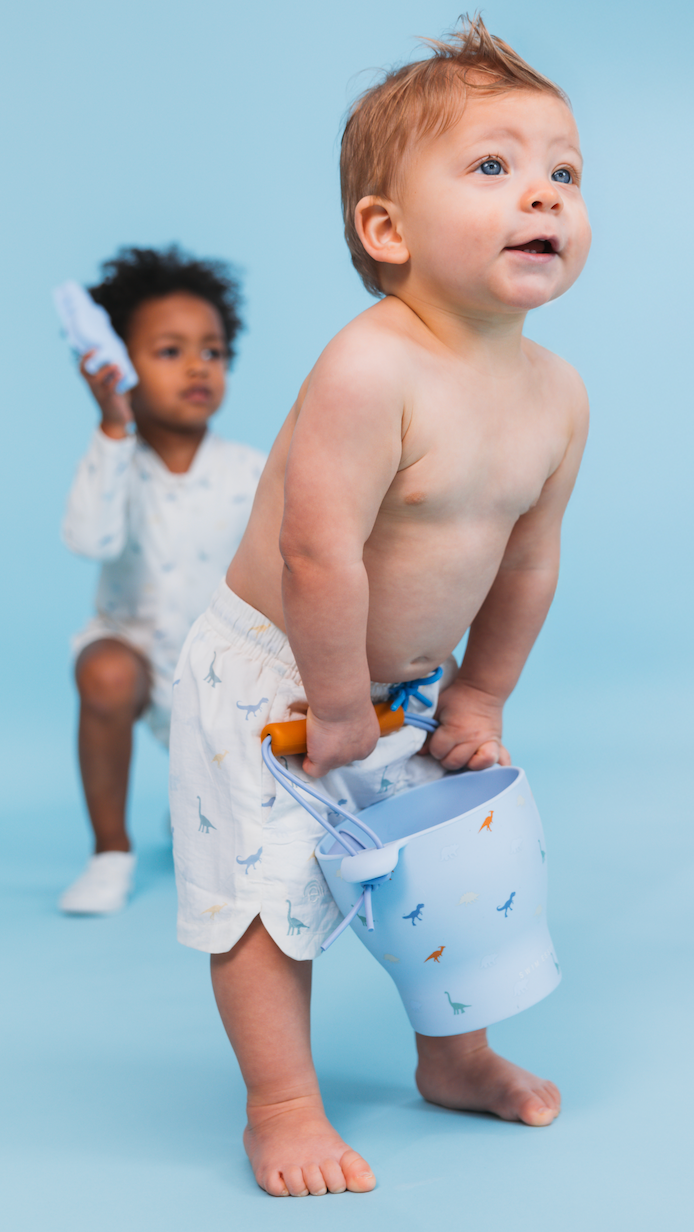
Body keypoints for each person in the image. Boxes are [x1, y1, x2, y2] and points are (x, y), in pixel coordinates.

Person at [169, 16, 591, 1197]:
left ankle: (453, 1058)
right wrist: (335, 703)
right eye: (494, 165)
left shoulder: (557, 396)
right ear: (387, 230)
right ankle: (282, 1103)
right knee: (267, 896)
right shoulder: (371, 368)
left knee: (445, 872)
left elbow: (528, 562)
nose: (543, 194)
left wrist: (480, 693)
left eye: (564, 171)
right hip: (276, 676)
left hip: (404, 684)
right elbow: (316, 555)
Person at [60, 246, 266, 915]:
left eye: (213, 350)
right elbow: (90, 540)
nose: (198, 366)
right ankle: (110, 852)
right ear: (120, 364)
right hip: (138, 654)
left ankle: (199, 811)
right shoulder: (112, 459)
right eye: (170, 351)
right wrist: (113, 426)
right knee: (105, 671)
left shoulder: (254, 471)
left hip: (226, 670)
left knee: (242, 837)